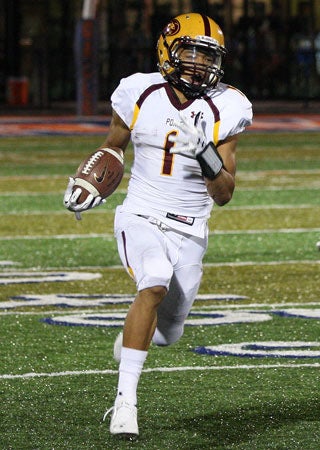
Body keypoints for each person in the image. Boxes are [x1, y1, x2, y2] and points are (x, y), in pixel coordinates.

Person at [64, 12, 252, 438]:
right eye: (192, 53)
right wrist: (91, 183)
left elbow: (223, 193)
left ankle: (133, 340)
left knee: (168, 330)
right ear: (169, 51)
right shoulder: (138, 90)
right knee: (154, 280)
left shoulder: (229, 104)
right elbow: (113, 149)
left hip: (190, 229)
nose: (201, 65)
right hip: (141, 215)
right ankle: (124, 404)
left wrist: (204, 152)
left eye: (209, 57)